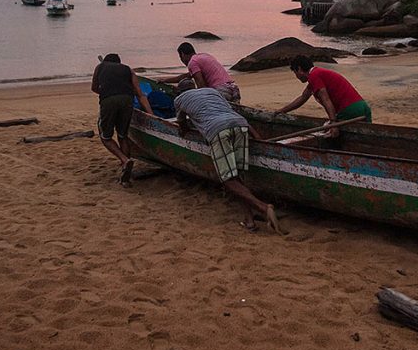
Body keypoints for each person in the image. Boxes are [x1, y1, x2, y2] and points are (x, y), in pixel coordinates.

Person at [173, 86, 285, 235]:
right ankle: (249, 220)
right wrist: (260, 140)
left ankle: (263, 208)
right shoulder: (211, 91)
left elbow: (182, 124)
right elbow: (230, 110)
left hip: (217, 130)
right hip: (240, 125)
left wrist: (185, 129)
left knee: (227, 179)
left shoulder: (179, 99)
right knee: (237, 176)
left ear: (179, 92)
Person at [91, 53, 153, 186]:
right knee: (123, 135)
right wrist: (151, 115)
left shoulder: (100, 67)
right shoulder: (128, 69)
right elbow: (140, 94)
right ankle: (126, 176)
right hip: (127, 100)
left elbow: (94, 88)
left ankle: (124, 160)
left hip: (109, 101)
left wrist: (107, 91)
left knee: (106, 137)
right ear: (119, 63)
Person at [276, 55, 371, 129]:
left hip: (349, 109)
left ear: (299, 69)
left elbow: (326, 99)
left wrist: (333, 123)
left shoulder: (314, 75)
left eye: (295, 72)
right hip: (362, 106)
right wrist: (282, 111)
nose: (296, 76)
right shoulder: (317, 75)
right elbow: (303, 98)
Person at [163, 42, 240, 102]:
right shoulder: (204, 56)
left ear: (182, 54)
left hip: (221, 90)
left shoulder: (192, 62)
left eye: (180, 57)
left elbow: (201, 86)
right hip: (233, 88)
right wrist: (165, 81)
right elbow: (185, 76)